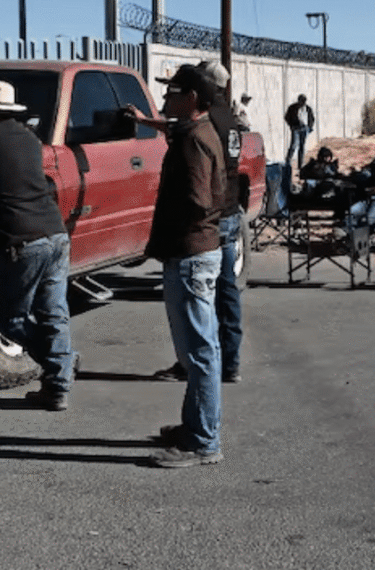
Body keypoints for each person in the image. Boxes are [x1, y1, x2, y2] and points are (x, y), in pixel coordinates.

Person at [0, 79, 75, 410]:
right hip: (54, 232)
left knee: (7, 317)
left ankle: (59, 362)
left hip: (21, 241)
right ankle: (59, 384)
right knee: (53, 312)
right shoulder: (29, 139)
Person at [143, 65, 226, 468]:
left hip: (191, 254)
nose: (166, 100)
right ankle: (195, 427)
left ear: (192, 98)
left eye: (173, 92)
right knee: (198, 352)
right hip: (196, 252)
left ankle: (203, 441)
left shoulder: (193, 141)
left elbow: (198, 200)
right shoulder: (198, 131)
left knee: (200, 353)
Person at [152, 60, 246, 385]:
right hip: (229, 211)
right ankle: (228, 362)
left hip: (211, 219)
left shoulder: (204, 125)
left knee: (203, 303)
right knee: (225, 293)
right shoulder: (227, 116)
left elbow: (197, 193)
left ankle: (198, 365)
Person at [284, 94, 315, 170]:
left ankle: (300, 165)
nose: (303, 102)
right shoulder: (292, 108)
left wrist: (309, 127)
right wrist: (291, 125)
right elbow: (286, 117)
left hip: (304, 129)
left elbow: (312, 118)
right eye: (301, 101)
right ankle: (288, 161)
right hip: (296, 129)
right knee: (294, 145)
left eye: (304, 101)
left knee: (302, 146)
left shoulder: (308, 108)